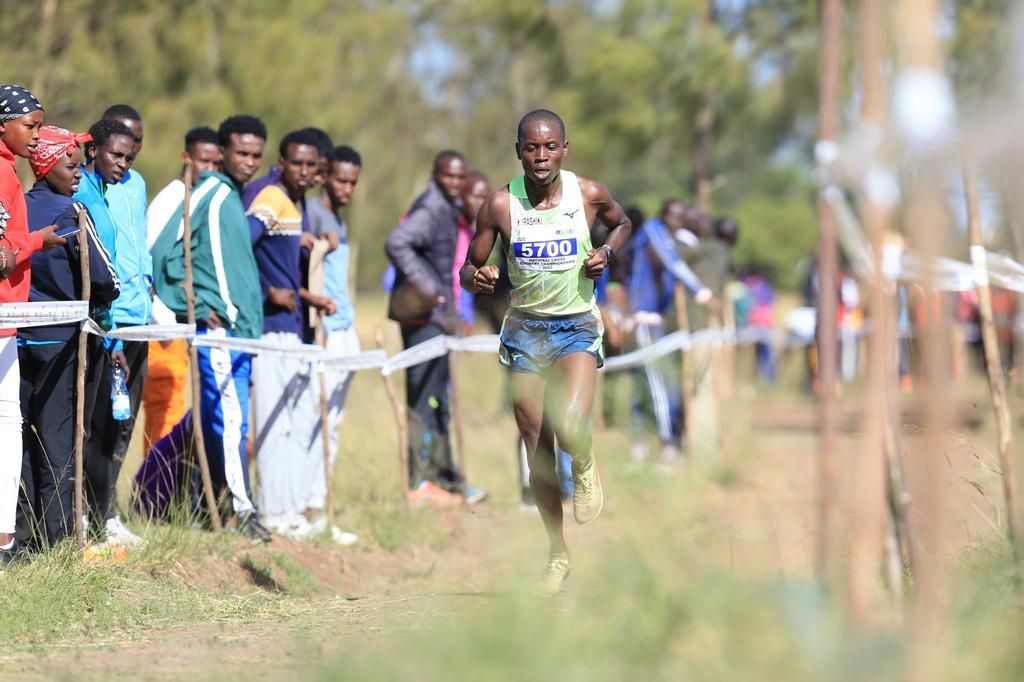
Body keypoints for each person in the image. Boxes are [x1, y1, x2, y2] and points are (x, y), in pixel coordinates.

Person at [460, 109, 632, 593]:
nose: (541, 157)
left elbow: (625, 224)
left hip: (576, 325)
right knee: (536, 447)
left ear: (564, 148)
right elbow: (467, 271)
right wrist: (481, 278)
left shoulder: (589, 195)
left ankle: (584, 463)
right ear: (518, 151)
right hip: (525, 333)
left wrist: (607, 254)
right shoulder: (498, 205)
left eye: (550, 147)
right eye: (531, 148)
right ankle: (557, 552)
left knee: (572, 424)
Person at [150, 114, 270, 542]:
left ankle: (210, 505)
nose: (250, 162)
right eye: (241, 152)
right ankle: (244, 511)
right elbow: (163, 250)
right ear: (222, 153)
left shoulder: (234, 198)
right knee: (230, 423)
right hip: (218, 334)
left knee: (227, 422)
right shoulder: (211, 193)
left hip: (241, 334)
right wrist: (194, 303)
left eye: (257, 154)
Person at [18, 126, 119, 549]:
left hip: (19, 341)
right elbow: (106, 278)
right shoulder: (72, 214)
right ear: (46, 166)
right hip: (62, 345)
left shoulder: (18, 210)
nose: (78, 173)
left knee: (20, 439)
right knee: (59, 441)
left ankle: (19, 537)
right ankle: (58, 540)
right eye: (70, 164)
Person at [244, 128, 335, 538]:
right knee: (272, 421)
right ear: (280, 163)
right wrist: (268, 293)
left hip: (292, 330)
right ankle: (274, 513)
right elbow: (241, 248)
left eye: (309, 165)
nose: (302, 171)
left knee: (293, 423)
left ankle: (290, 510)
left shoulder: (290, 202)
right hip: (270, 328)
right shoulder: (268, 198)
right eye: (294, 163)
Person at [385, 149, 487, 506]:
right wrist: (426, 287)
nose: (456, 183)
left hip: (437, 320)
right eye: (450, 176)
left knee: (436, 400)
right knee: (422, 403)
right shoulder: (431, 207)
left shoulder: (447, 208)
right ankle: (416, 484)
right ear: (435, 175)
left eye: (461, 177)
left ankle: (443, 480)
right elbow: (397, 242)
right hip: (422, 319)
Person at [0, 85, 66, 561]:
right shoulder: (1, 173)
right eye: (31, 126)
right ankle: (4, 539)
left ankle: (4, 535)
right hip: (2, 317)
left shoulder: (8, 169)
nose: (37, 136)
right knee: (6, 423)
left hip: (9, 319)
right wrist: (36, 242)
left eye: (41, 126)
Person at [83, 104, 153, 546]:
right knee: (98, 420)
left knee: (124, 421)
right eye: (122, 147)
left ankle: (108, 511)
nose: (129, 158)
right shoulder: (91, 185)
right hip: (108, 321)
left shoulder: (137, 183)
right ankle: (88, 513)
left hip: (140, 318)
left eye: (138, 147)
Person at [143, 126, 222, 452]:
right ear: (186, 158)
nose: (211, 170)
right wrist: (160, 318)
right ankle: (154, 491)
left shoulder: (201, 198)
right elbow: (153, 260)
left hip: (183, 322)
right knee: (166, 406)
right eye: (205, 161)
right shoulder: (173, 199)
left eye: (217, 163)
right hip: (163, 323)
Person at [304, 144, 363, 545]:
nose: (347, 188)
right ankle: (307, 508)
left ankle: (321, 504)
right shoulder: (311, 211)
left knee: (334, 423)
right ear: (325, 175)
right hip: (324, 331)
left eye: (353, 182)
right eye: (341, 179)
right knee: (313, 419)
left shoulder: (336, 218)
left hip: (346, 328)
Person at [626, 199, 711, 463]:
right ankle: (666, 445)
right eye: (675, 216)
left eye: (682, 217)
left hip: (654, 320)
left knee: (653, 382)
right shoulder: (653, 231)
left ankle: (643, 444)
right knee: (658, 383)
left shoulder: (665, 236)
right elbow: (673, 264)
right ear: (663, 215)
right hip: (643, 320)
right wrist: (702, 291)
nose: (679, 221)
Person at [453, 171, 490, 335]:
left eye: (485, 198)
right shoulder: (447, 228)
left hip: (457, 316)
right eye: (476, 196)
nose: (480, 203)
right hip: (439, 315)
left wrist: (466, 317)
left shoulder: (471, 233)